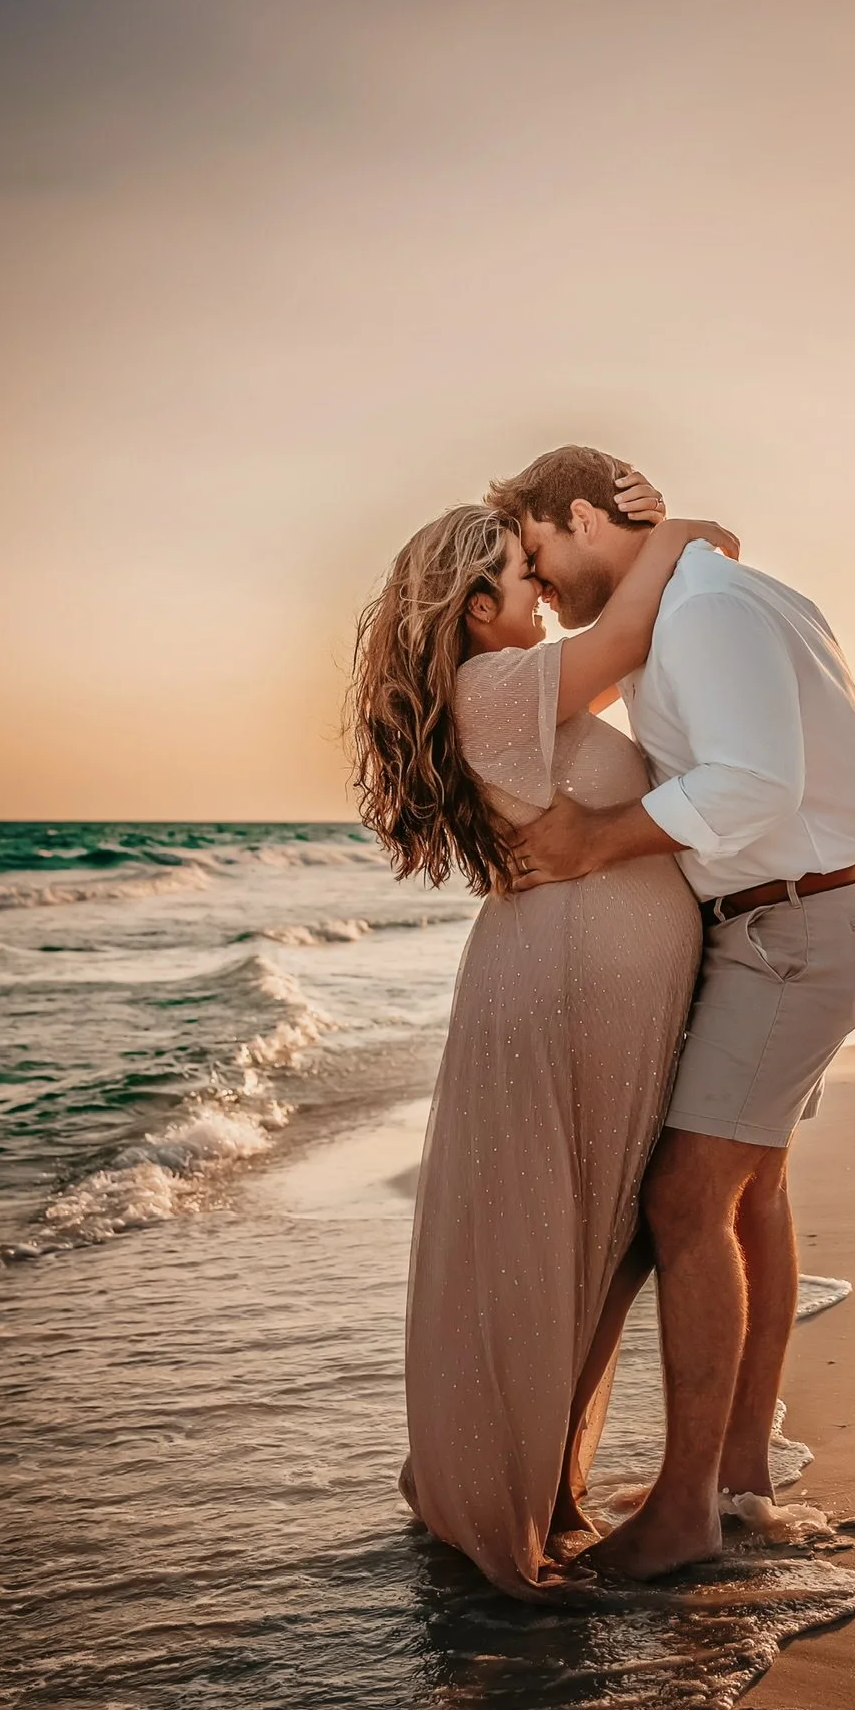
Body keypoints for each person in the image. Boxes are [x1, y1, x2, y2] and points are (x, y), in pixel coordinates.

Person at [485, 445, 855, 1580]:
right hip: (795, 924)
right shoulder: (701, 596)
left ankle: (685, 1510)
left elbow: (753, 780)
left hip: (790, 933)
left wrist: (591, 841)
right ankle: (738, 1477)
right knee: (751, 1188)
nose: (541, 584)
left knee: (686, 1192)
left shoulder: (704, 610)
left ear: (576, 517)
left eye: (536, 554)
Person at [348, 480, 738, 1598]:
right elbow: (628, 627)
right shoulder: (499, 683)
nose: (543, 594)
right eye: (526, 575)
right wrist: (671, 529)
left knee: (595, 1233)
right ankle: (518, 1493)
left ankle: (547, 1481)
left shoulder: (513, 691)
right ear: (477, 607)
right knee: (568, 1232)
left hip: (576, 979)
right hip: (571, 987)